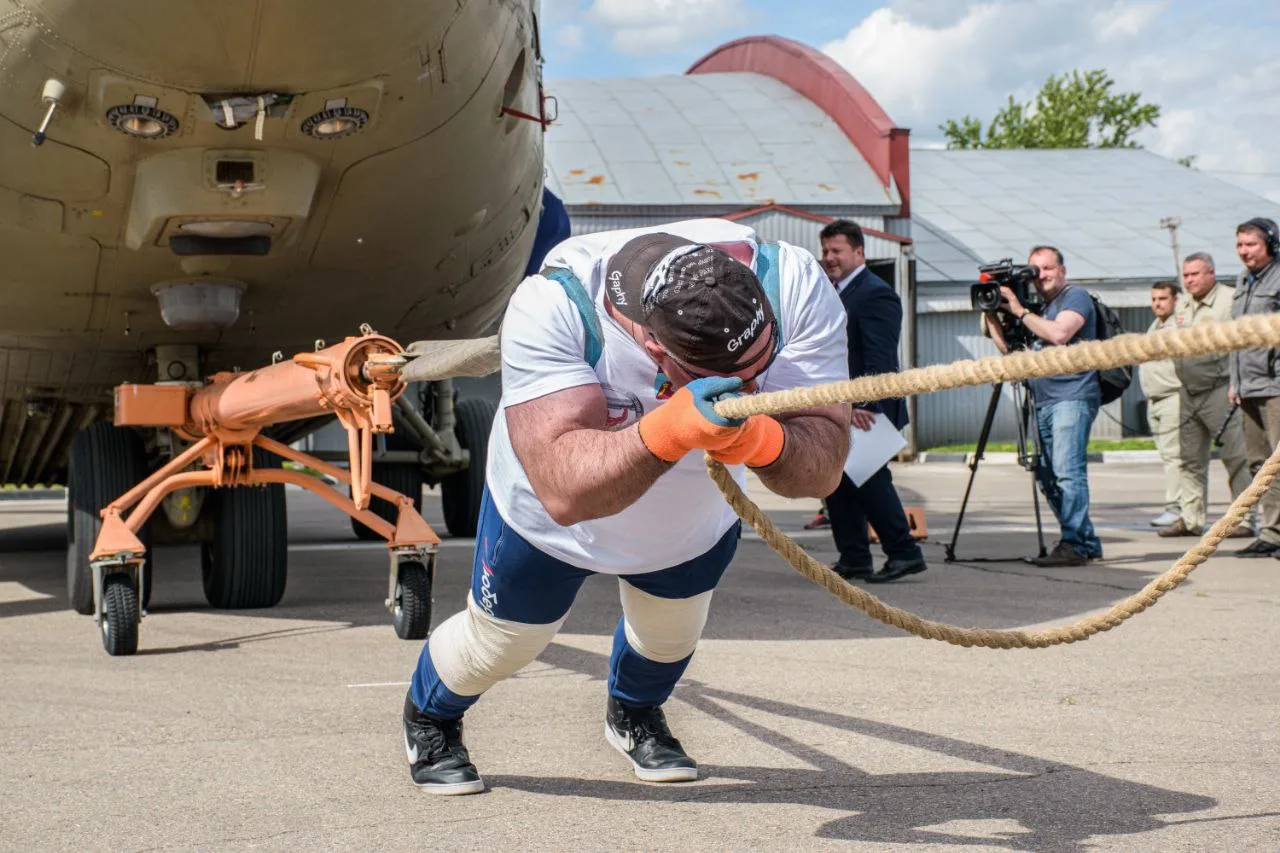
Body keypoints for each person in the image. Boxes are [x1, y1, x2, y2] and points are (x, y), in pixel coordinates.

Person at [402, 218, 852, 794]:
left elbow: (823, 466)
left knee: (669, 638)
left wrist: (760, 439)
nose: (750, 387)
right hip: (549, 525)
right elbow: (565, 490)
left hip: (690, 521)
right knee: (503, 644)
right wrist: (667, 431)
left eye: (761, 368)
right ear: (651, 345)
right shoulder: (555, 305)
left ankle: (634, 716)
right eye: (731, 377)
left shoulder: (791, 282)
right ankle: (431, 720)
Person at [817, 219, 927, 583]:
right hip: (842, 406)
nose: (829, 257)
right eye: (826, 251)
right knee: (839, 484)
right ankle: (854, 558)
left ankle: (904, 552)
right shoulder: (838, 291)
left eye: (837, 251)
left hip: (866, 408)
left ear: (859, 252)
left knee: (871, 482)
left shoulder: (874, 293)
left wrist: (865, 404)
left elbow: (881, 357)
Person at [984, 246, 1103, 567]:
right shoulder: (1042, 308)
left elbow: (1060, 333)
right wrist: (993, 312)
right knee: (1046, 475)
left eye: (1047, 269)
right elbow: (1010, 351)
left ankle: (1075, 544)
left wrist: (1020, 310)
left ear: (1062, 270)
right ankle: (1086, 540)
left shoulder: (1074, 297)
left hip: (1072, 395)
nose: (1041, 276)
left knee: (1067, 473)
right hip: (1042, 399)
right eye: (1035, 270)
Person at [1157, 253, 1253, 539]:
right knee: (1189, 459)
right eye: (1186, 276)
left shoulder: (1230, 299)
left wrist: (1239, 384)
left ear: (1211, 273)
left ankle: (1244, 520)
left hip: (1220, 389)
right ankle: (1191, 519)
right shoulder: (1183, 304)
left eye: (1195, 275)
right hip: (1187, 391)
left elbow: (1242, 344)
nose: (1189, 281)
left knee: (1235, 457)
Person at [1229, 218, 1280, 557]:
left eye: (1251, 244)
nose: (1244, 251)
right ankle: (1272, 533)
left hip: (1276, 385)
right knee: (1259, 464)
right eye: (1240, 245)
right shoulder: (1243, 281)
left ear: (1271, 245)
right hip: (1248, 386)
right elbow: (1235, 337)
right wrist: (1235, 382)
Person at [1141, 281, 1184, 528]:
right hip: (1154, 399)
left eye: (1163, 299)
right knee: (1166, 454)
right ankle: (1176, 506)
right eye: (1154, 299)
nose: (1157, 303)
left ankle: (1175, 507)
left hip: (1172, 396)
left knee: (1174, 455)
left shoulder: (1178, 325)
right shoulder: (1154, 326)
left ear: (1175, 300)